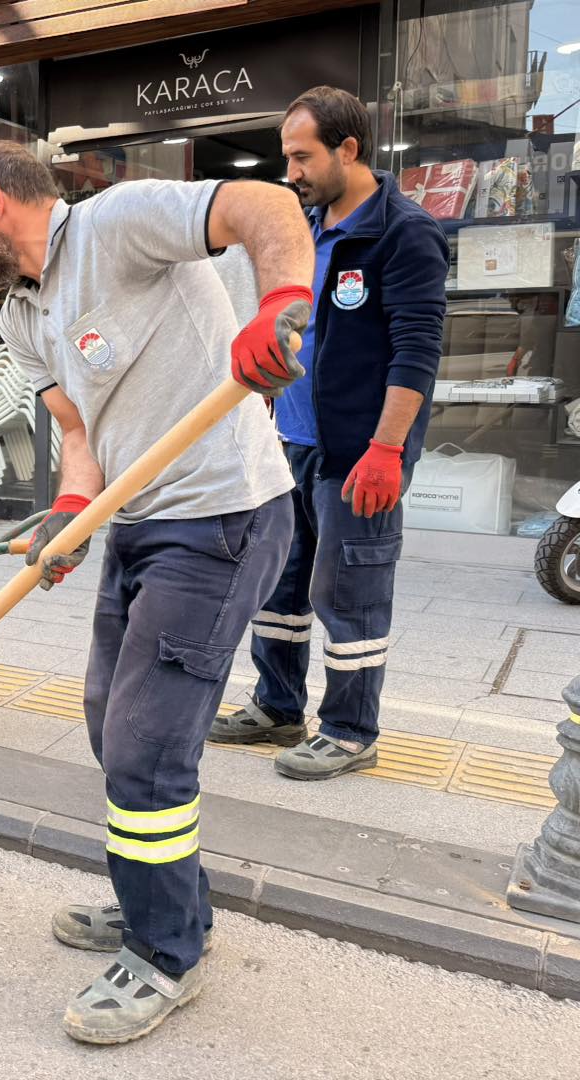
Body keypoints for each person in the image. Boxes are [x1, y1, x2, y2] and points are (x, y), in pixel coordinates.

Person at [0, 141, 314, 1043]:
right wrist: (71, 514)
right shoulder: (20, 317)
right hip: (142, 522)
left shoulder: (116, 225)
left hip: (226, 516)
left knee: (149, 747)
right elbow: (80, 436)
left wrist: (281, 306)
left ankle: (165, 953)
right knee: (111, 716)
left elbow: (267, 208)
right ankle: (166, 901)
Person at [209, 87, 449, 780]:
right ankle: (278, 705)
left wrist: (385, 450)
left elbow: (416, 353)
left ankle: (349, 730)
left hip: (358, 452)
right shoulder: (305, 228)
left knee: (350, 592)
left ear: (348, 147)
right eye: (287, 157)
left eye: (302, 156)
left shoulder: (403, 233)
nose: (291, 172)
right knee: (279, 586)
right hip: (292, 443)